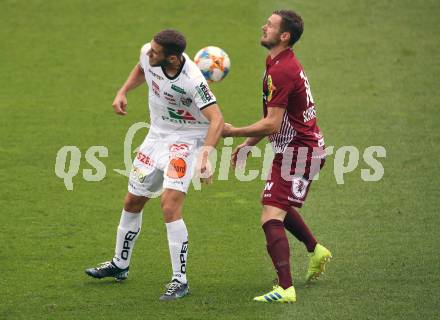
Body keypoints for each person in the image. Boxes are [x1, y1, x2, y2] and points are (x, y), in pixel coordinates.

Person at [85, 29, 224, 301]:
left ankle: (179, 280)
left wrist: (204, 157)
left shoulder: (194, 81)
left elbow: (217, 120)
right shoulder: (149, 54)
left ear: (172, 59)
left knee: (169, 205)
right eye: (150, 49)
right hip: (155, 137)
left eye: (155, 53)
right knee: (132, 201)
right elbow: (141, 68)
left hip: (185, 142)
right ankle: (119, 264)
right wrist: (123, 91)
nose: (149, 53)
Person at [222, 10, 331, 303]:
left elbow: (271, 122)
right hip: (294, 147)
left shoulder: (281, 71)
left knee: (270, 214)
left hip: (300, 151)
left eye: (270, 26)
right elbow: (272, 117)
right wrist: (248, 143)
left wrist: (230, 132)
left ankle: (285, 289)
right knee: (275, 203)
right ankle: (316, 249)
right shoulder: (279, 63)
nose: (263, 26)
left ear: (284, 36)